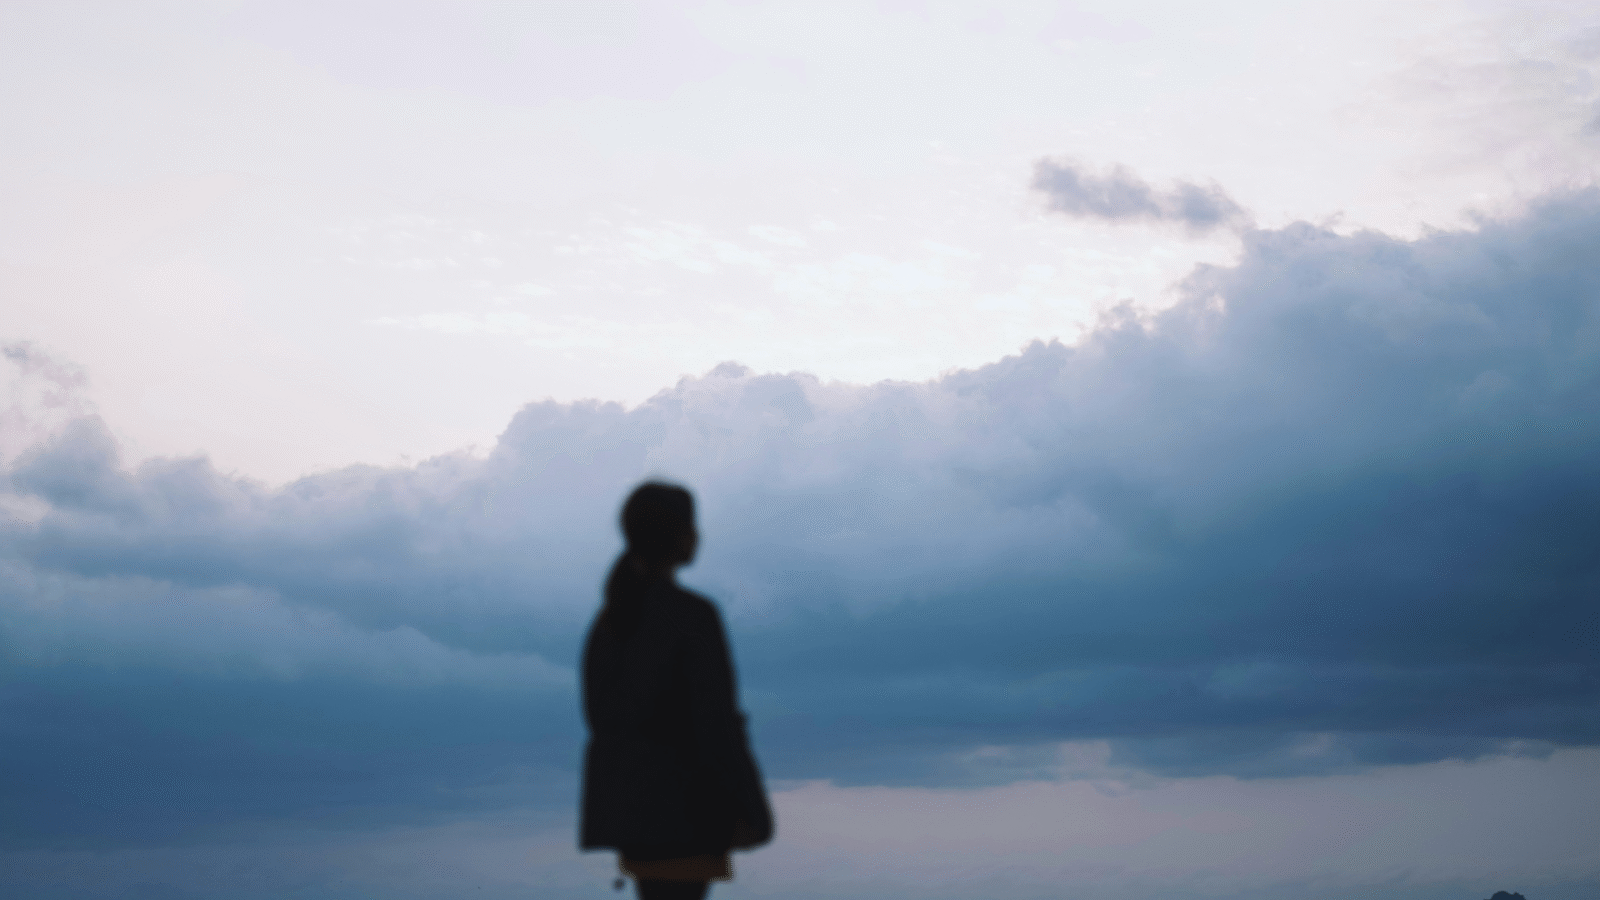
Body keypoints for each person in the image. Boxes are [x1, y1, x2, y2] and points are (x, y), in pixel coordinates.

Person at [579, 482, 774, 900]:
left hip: (632, 820)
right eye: (691, 526)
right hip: (687, 816)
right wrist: (751, 811)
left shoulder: (609, 622)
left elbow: (601, 721)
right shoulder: (692, 616)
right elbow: (717, 726)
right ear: (679, 536)